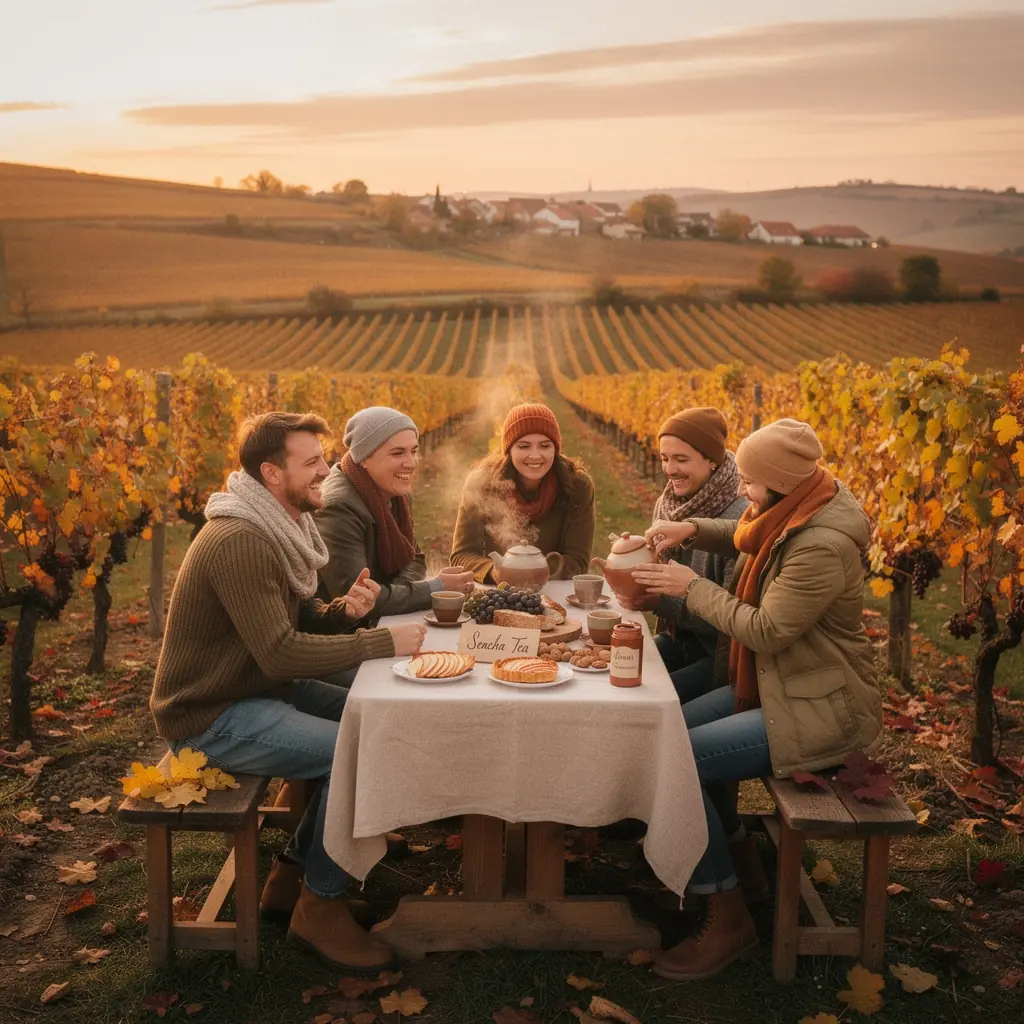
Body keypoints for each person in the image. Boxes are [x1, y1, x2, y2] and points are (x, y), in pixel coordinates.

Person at [149, 411, 426, 971]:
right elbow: (278, 651)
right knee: (355, 750)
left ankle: (289, 878)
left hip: (257, 688)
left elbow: (294, 622)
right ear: (272, 474)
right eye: (313, 462)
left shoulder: (278, 525)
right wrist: (378, 643)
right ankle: (317, 909)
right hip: (211, 715)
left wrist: (341, 613)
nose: (328, 470)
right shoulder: (241, 540)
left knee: (377, 714)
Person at [632, 418, 883, 981]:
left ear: (780, 483)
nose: (742, 491)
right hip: (781, 687)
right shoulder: (793, 511)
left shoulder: (820, 544)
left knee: (678, 760)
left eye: (748, 481)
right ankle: (741, 869)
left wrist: (690, 588)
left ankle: (726, 916)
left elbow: (766, 631)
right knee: (670, 733)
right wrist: (689, 530)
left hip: (820, 710)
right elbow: (744, 535)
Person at [617, 408, 748, 704]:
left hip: (719, 656)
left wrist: (660, 602)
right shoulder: (670, 504)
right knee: (616, 675)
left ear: (712, 460)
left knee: (646, 701)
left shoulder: (738, 516)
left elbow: (732, 620)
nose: (669, 469)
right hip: (680, 639)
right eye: (665, 458)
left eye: (681, 459)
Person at [316, 406, 475, 618]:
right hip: (345, 635)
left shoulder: (395, 493)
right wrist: (437, 587)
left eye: (414, 451)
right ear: (363, 458)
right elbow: (359, 600)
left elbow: (415, 558)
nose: (411, 463)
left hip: (382, 619)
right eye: (397, 453)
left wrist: (395, 593)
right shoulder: (339, 508)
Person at [450, 403, 596, 582]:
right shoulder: (482, 484)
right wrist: (495, 572)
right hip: (498, 591)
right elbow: (461, 556)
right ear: (509, 450)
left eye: (544, 446)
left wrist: (535, 572)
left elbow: (578, 562)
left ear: (555, 449)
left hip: (555, 590)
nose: (535, 455)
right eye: (524, 446)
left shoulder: (578, 485)